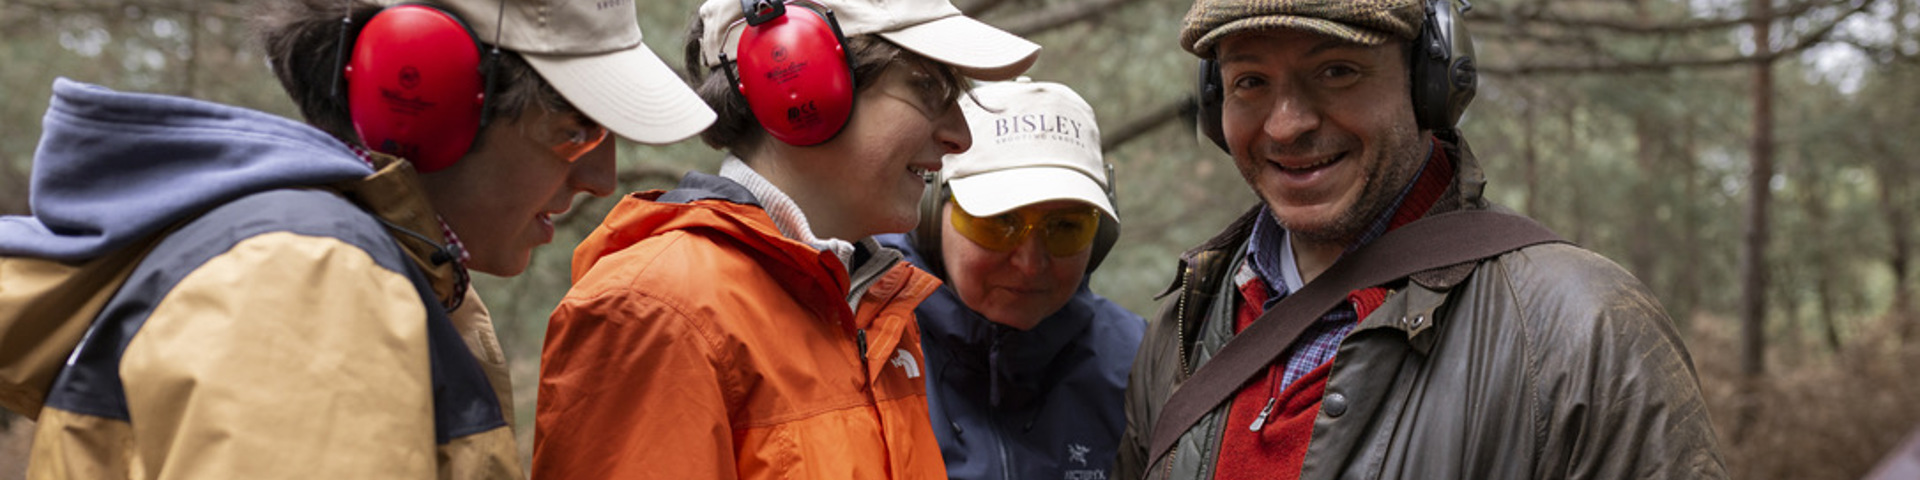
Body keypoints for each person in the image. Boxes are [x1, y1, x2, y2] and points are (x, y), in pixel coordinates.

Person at [0, 0, 713, 476]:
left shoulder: (326, 266)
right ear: (428, 95)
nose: (601, 179)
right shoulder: (309, 284)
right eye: (575, 130)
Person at [1114, 0, 1728, 478]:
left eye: (1337, 71)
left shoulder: (1585, 330)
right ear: (1214, 100)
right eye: (1250, 81)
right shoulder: (1185, 323)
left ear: (1431, 82)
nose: (1287, 124)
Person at [530, 0, 1039, 478]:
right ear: (798, 75)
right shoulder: (658, 313)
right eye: (927, 89)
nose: (960, 137)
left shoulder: (872, 303)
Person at [872, 78, 1144, 480]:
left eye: (1067, 227)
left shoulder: (1141, 366)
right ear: (929, 214)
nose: (1031, 264)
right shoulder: (858, 340)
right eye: (998, 223)